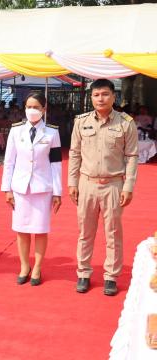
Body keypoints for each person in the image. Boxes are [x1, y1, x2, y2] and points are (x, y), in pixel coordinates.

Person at [68, 79, 138, 296]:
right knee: (85, 232)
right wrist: (72, 182)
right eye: (96, 95)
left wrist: (128, 186)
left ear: (114, 96)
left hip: (113, 185)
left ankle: (111, 276)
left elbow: (132, 156)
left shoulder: (126, 123)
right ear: (91, 98)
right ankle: (83, 273)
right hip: (87, 183)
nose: (101, 98)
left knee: (113, 233)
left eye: (105, 94)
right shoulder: (81, 122)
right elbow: (74, 153)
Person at [1, 92, 62, 286]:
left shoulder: (52, 132)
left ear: (44, 109)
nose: (32, 110)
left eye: (36, 107)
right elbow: (8, 161)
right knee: (22, 230)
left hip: (42, 188)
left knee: (40, 230)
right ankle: (24, 265)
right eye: (28, 107)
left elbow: (56, 163)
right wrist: (7, 189)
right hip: (20, 188)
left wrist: (57, 192)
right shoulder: (16, 131)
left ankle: (37, 267)